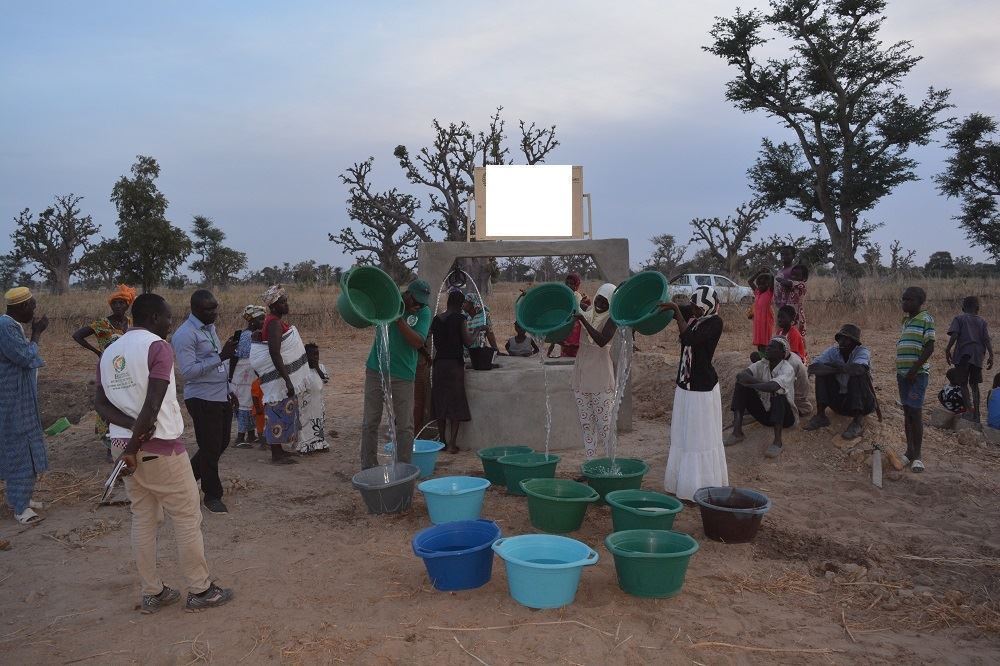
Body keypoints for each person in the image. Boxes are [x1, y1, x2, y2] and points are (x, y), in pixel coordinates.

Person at [95, 293, 232, 614]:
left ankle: (153, 592)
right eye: (168, 318)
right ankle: (201, 590)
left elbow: (100, 404)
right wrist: (137, 439)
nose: (172, 324)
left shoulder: (110, 351)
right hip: (158, 448)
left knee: (143, 519)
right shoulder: (158, 348)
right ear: (154, 318)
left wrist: (129, 437)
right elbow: (154, 404)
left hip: (122, 448)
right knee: (186, 517)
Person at [658, 286, 728, 500]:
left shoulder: (714, 323)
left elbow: (689, 338)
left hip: (702, 389)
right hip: (686, 385)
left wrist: (677, 312)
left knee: (698, 439)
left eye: (697, 309)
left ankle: (698, 487)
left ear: (708, 308)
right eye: (693, 308)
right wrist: (664, 304)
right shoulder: (697, 315)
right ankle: (681, 483)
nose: (693, 312)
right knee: (684, 436)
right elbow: (675, 310)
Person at [172, 290, 238, 513]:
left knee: (220, 444)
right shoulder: (185, 334)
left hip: (220, 394)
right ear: (195, 309)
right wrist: (221, 356)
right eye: (209, 309)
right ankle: (212, 496)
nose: (215, 312)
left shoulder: (209, 329)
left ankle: (184, 482)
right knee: (209, 448)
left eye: (215, 307)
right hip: (201, 397)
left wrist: (230, 389)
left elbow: (216, 365)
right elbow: (188, 372)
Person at [360, 280, 432, 469]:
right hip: (376, 370)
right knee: (370, 421)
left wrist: (399, 319)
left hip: (403, 374)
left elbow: (418, 342)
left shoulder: (423, 313)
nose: (419, 306)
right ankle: (368, 467)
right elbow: (366, 312)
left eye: (422, 303)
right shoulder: (390, 302)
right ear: (407, 295)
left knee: (405, 426)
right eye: (416, 301)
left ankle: (403, 468)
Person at [0, 287, 49, 525]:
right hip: (13, 400)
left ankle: (21, 498)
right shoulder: (6, 327)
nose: (34, 310)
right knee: (21, 451)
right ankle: (20, 508)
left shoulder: (10, 326)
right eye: (32, 306)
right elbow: (24, 357)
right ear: (21, 307)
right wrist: (37, 334)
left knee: (24, 448)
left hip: (20, 398)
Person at [72, 284, 136, 460]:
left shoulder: (130, 323)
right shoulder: (102, 324)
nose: (117, 306)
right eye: (114, 303)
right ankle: (109, 445)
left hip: (126, 369)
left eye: (121, 303)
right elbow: (77, 335)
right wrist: (98, 352)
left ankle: (123, 441)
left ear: (127, 305)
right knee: (108, 403)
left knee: (123, 403)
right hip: (107, 369)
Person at [252, 285, 311, 464]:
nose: (286, 305)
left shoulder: (273, 321)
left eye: (285, 301)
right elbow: (275, 353)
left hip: (280, 376)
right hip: (279, 378)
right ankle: (276, 454)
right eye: (282, 302)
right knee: (276, 412)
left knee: (280, 412)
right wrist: (287, 379)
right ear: (274, 306)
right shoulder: (274, 323)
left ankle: (279, 450)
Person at [727, 337, 798, 458]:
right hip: (766, 414)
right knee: (741, 385)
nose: (767, 348)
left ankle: (778, 442)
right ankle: (737, 432)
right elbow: (741, 375)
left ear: (782, 353)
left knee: (777, 393)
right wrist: (758, 384)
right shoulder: (762, 364)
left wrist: (753, 384)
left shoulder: (787, 368)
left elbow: (773, 386)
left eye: (772, 347)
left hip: (786, 418)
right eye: (768, 346)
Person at [804, 324, 876, 440]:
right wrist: (837, 368)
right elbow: (813, 368)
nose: (842, 342)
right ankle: (821, 415)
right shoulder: (833, 351)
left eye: (846, 339)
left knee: (857, 375)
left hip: (862, 403)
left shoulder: (863, 352)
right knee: (821, 374)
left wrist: (837, 367)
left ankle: (857, 421)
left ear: (854, 343)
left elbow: (859, 369)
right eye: (840, 338)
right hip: (840, 403)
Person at [573, 283, 618, 459]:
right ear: (596, 295)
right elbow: (573, 301)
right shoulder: (587, 311)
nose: (600, 304)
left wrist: (583, 321)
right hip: (581, 373)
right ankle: (590, 465)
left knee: (604, 425)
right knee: (586, 425)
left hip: (600, 375)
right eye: (599, 299)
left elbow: (601, 340)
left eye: (606, 302)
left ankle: (609, 465)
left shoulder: (612, 319)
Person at [897, 286, 935, 473]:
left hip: (917, 375)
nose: (904, 302)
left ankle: (918, 456)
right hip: (903, 374)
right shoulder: (905, 321)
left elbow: (929, 347)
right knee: (907, 412)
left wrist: (914, 369)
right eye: (903, 299)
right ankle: (909, 451)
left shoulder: (925, 319)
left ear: (920, 302)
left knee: (915, 412)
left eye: (909, 300)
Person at [430, 290, 473, 453]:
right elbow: (468, 342)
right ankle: (452, 444)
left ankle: (442, 441)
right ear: (461, 304)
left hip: (439, 364)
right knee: (456, 402)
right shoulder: (460, 319)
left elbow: (429, 338)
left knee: (440, 401)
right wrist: (476, 331)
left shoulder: (436, 319)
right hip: (454, 365)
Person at [945, 296, 994, 424]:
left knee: (963, 383)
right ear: (978, 309)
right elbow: (986, 340)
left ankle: (968, 411)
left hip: (963, 355)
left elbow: (955, 334)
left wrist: (947, 349)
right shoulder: (982, 322)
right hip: (978, 356)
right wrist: (991, 355)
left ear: (962, 308)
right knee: (974, 385)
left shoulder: (959, 318)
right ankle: (977, 415)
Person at [230, 305, 266, 448]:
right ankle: (240, 437)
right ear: (252, 321)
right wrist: (230, 378)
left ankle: (251, 435)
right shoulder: (247, 336)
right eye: (261, 319)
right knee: (244, 404)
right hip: (243, 377)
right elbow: (237, 357)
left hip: (248, 376)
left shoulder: (253, 335)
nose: (263, 321)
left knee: (251, 403)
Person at [295, 343, 330, 454]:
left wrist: (317, 368)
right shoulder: (302, 371)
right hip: (307, 403)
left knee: (318, 423)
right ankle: (306, 446)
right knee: (306, 424)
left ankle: (319, 443)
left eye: (317, 354)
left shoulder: (321, 367)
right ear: (306, 356)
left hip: (318, 402)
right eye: (312, 355)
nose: (316, 357)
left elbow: (325, 379)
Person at [547, 273, 588, 358]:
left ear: (577, 286)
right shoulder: (563, 298)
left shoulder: (581, 298)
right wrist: (552, 345)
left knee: (578, 359)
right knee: (565, 358)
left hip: (578, 335)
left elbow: (587, 316)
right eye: (567, 283)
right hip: (566, 334)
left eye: (572, 284)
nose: (569, 285)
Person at [748, 270, 774, 354]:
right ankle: (761, 358)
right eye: (759, 284)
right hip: (758, 323)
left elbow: (773, 281)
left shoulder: (769, 293)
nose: (760, 286)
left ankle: (766, 358)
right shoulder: (757, 293)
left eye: (763, 284)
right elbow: (750, 281)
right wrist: (758, 272)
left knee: (766, 342)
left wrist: (769, 273)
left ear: (768, 285)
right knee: (759, 343)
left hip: (766, 323)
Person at [772, 245, 797, 310]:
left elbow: (796, 286)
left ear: (793, 256)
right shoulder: (780, 271)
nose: (784, 257)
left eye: (787, 254)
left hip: (788, 307)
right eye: (782, 254)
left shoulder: (794, 270)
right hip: (779, 306)